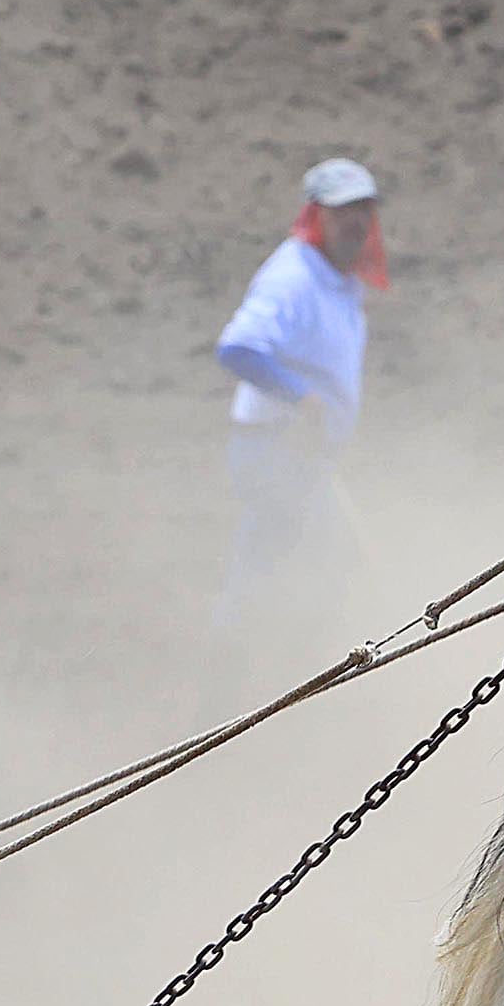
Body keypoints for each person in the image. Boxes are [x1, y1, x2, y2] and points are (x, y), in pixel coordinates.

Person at [209, 159, 385, 653]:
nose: (356, 222)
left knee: (315, 569)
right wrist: (300, 397)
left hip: (304, 457)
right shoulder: (293, 277)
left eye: (363, 210)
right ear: (315, 215)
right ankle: (235, 674)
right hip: (275, 452)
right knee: (280, 572)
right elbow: (238, 347)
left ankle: (279, 665)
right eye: (342, 211)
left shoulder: (338, 281)